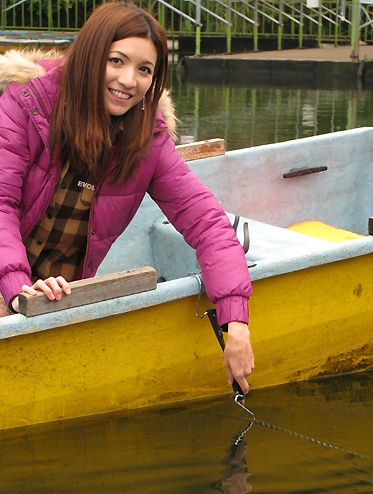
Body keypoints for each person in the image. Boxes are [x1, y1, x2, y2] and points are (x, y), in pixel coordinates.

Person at [0, 1, 254, 393]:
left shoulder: (146, 138)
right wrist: (17, 288)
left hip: (55, 297)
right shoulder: (25, 104)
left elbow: (207, 224)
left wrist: (235, 323)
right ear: (89, 56)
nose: (128, 80)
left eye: (144, 70)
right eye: (116, 61)